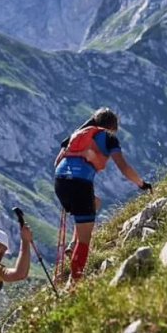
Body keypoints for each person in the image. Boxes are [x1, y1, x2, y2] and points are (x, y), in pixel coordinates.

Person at [54, 107, 151, 283]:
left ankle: (72, 245)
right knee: (85, 239)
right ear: (112, 127)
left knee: (95, 203)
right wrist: (141, 184)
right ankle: (75, 285)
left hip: (60, 182)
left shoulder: (79, 134)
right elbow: (124, 168)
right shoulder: (109, 137)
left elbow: (58, 161)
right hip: (80, 183)